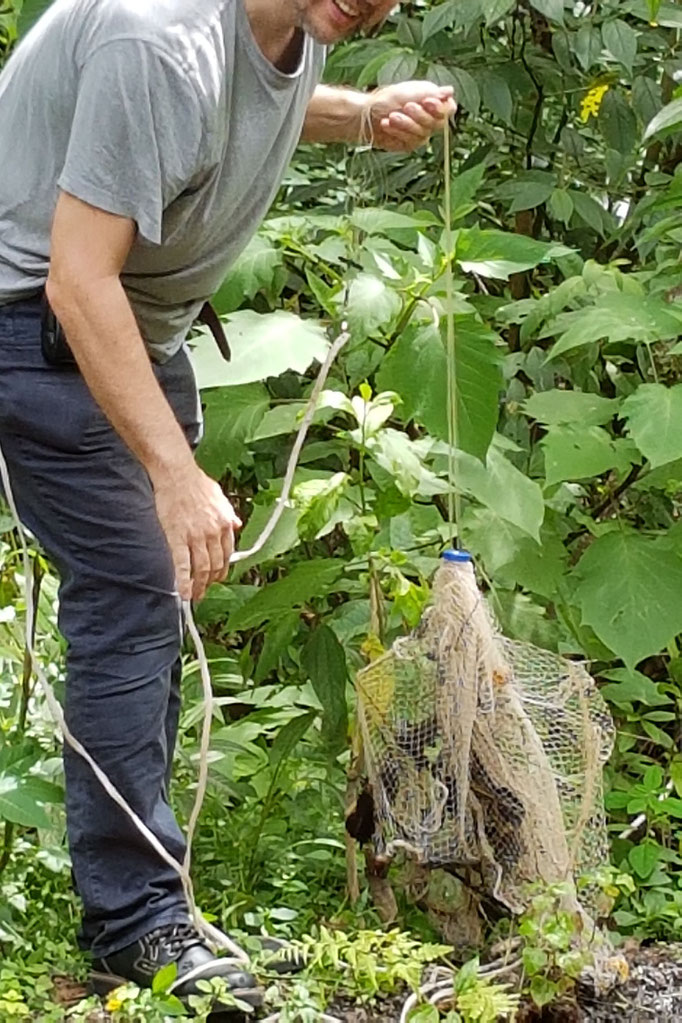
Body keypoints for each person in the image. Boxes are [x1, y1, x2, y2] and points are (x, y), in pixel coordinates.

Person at [0, 0, 454, 1010]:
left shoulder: (281, 26)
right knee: (129, 591)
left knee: (152, 606)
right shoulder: (156, 37)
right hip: (42, 320)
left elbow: (242, 101)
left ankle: (147, 904)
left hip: (131, 331)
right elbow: (78, 281)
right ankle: (134, 926)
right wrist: (174, 475)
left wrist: (362, 114)